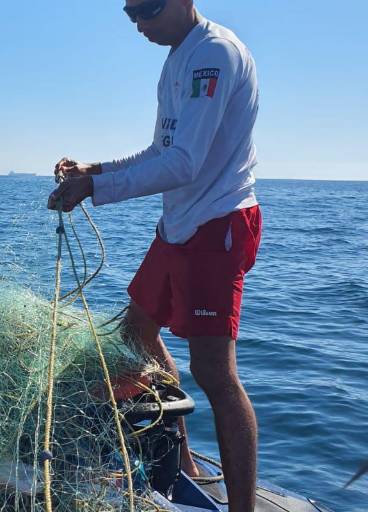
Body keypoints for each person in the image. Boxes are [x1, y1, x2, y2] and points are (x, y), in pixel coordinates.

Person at [47, 1, 261, 510]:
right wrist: (93, 167)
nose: (140, 23)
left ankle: (243, 508)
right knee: (136, 333)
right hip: (179, 226)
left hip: (218, 225)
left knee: (214, 372)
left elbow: (184, 164)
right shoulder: (176, 57)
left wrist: (94, 188)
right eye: (130, 14)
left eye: (148, 9)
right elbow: (160, 151)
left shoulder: (214, 54)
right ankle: (183, 460)